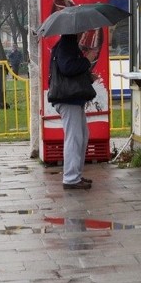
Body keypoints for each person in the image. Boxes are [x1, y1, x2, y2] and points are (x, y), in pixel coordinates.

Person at [49, 33, 95, 190]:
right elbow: (67, 67)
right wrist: (86, 60)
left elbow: (69, 69)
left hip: (72, 99)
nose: (83, 32)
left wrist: (88, 76)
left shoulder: (67, 44)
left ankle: (76, 175)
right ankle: (71, 178)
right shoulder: (67, 43)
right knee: (75, 138)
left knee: (81, 136)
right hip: (69, 99)